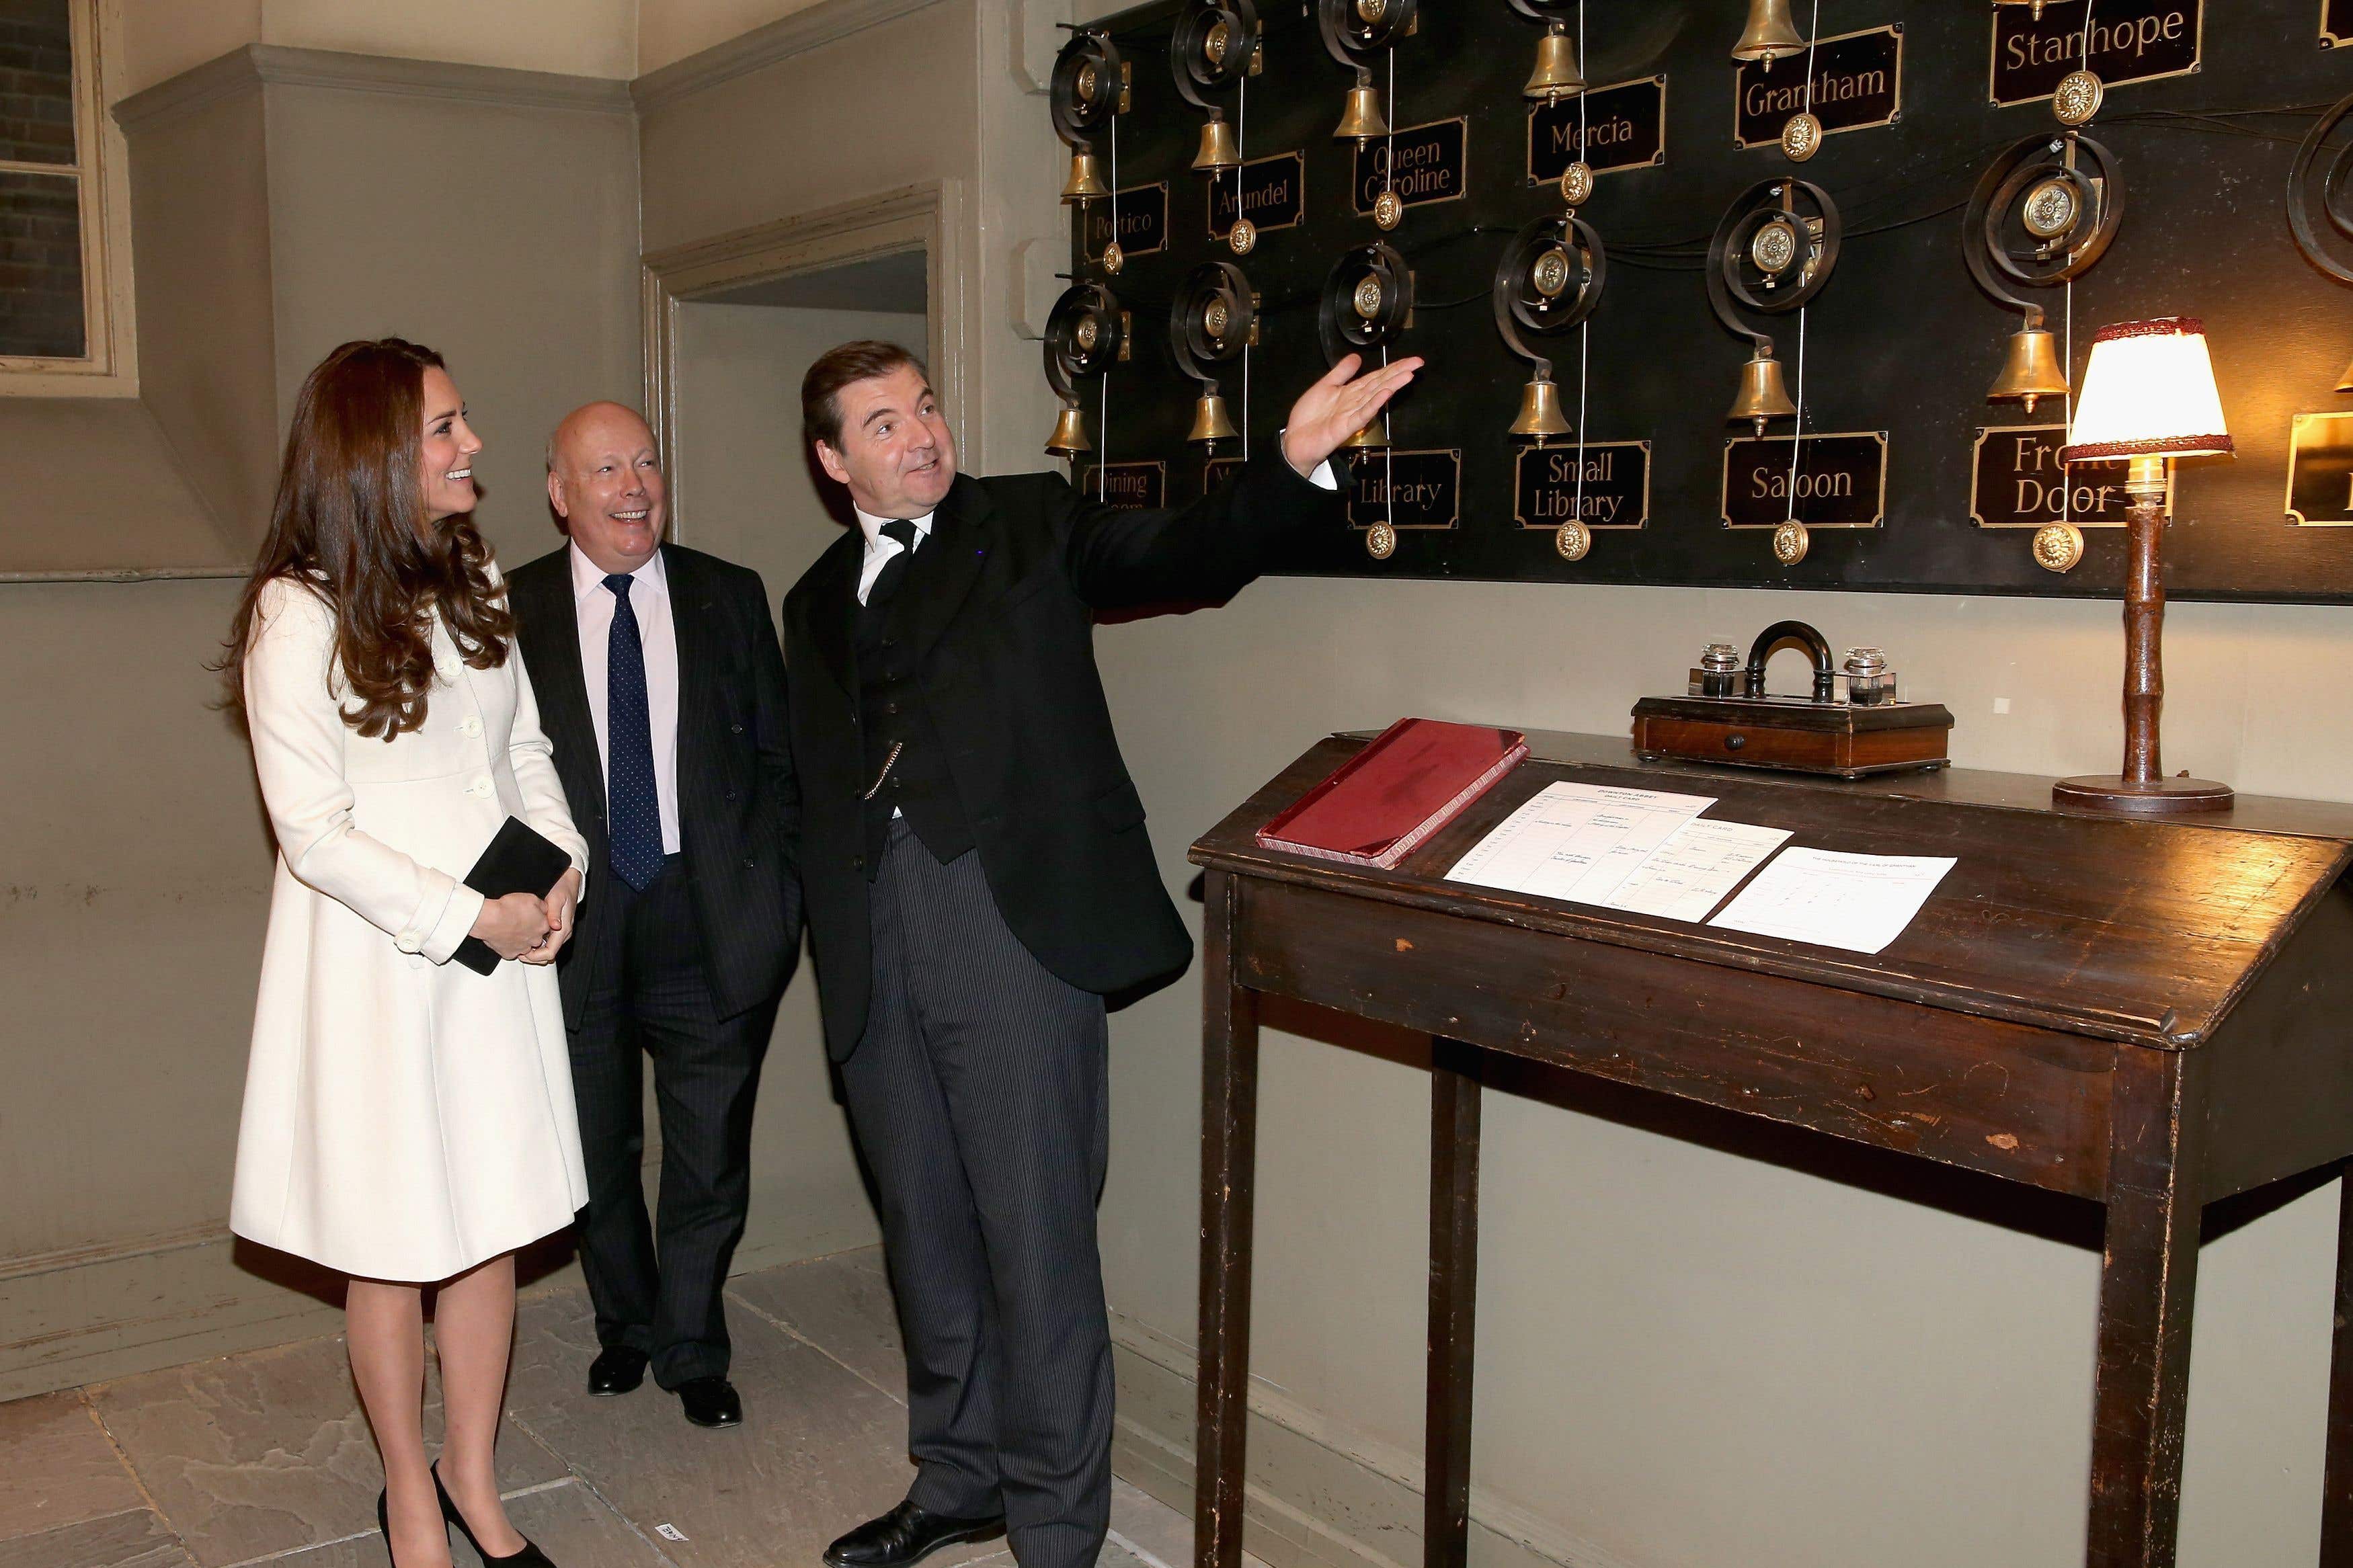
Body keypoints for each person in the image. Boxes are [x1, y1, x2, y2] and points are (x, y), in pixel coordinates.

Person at [785, 340, 1421, 1568]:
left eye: (925, 406)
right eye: (883, 423)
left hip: (1008, 929)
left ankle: (1056, 1529)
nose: (920, 434)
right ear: (832, 459)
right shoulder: (812, 598)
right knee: (924, 1230)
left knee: (1036, 1242)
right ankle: (959, 1475)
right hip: (869, 943)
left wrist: (1289, 464)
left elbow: (1178, 553)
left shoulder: (1030, 521)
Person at [222, 339, 589, 1568]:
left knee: (490, 1222)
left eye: (461, 421)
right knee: (393, 1245)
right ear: (375, 453)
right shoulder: (296, 610)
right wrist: (467, 915)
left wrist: (562, 866)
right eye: (445, 427)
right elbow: (315, 833)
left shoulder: (470, 576)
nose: (472, 443)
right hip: (383, 971)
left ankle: (473, 1478)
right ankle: (408, 1494)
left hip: (498, 962)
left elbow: (525, 750)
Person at [505, 403, 802, 1429]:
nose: (633, 487)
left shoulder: (729, 594)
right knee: (595, 1150)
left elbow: (780, 762)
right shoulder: (509, 610)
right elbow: (487, 776)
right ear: (560, 493)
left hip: (707, 911)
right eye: (605, 470)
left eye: (645, 463)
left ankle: (691, 1343)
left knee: (710, 1151)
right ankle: (627, 1325)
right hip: (574, 920)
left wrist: (777, 902)